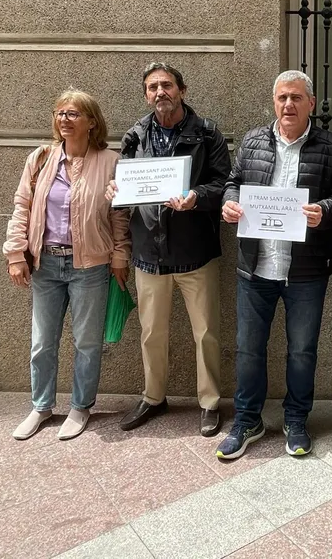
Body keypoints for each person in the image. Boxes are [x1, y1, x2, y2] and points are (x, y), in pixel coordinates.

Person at [217, 70, 332, 460]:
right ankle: (247, 419)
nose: (288, 105)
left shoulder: (331, 145)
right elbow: (234, 180)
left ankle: (296, 419)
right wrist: (229, 202)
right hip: (255, 266)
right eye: (282, 98)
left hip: (305, 270)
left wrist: (323, 212)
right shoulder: (254, 140)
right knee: (248, 349)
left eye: (296, 98)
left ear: (311, 102)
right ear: (274, 102)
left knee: (302, 351)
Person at [108, 63, 231, 436]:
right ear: (146, 94)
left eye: (166, 85)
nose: (160, 92)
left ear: (182, 89)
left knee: (206, 333)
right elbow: (124, 182)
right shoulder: (135, 136)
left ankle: (209, 402)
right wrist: (116, 190)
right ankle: (153, 396)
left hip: (196, 251)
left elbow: (225, 182)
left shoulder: (207, 133)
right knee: (151, 332)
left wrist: (196, 198)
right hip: (149, 252)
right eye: (152, 87)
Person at [4, 89, 130, 441]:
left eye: (73, 113)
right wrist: (16, 254)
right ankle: (41, 407)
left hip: (89, 266)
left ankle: (80, 406)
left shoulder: (110, 161)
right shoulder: (41, 159)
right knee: (43, 342)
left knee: (86, 342)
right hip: (46, 266)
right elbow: (21, 208)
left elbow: (120, 216)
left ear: (92, 122)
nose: (64, 119)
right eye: (60, 112)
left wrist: (120, 257)